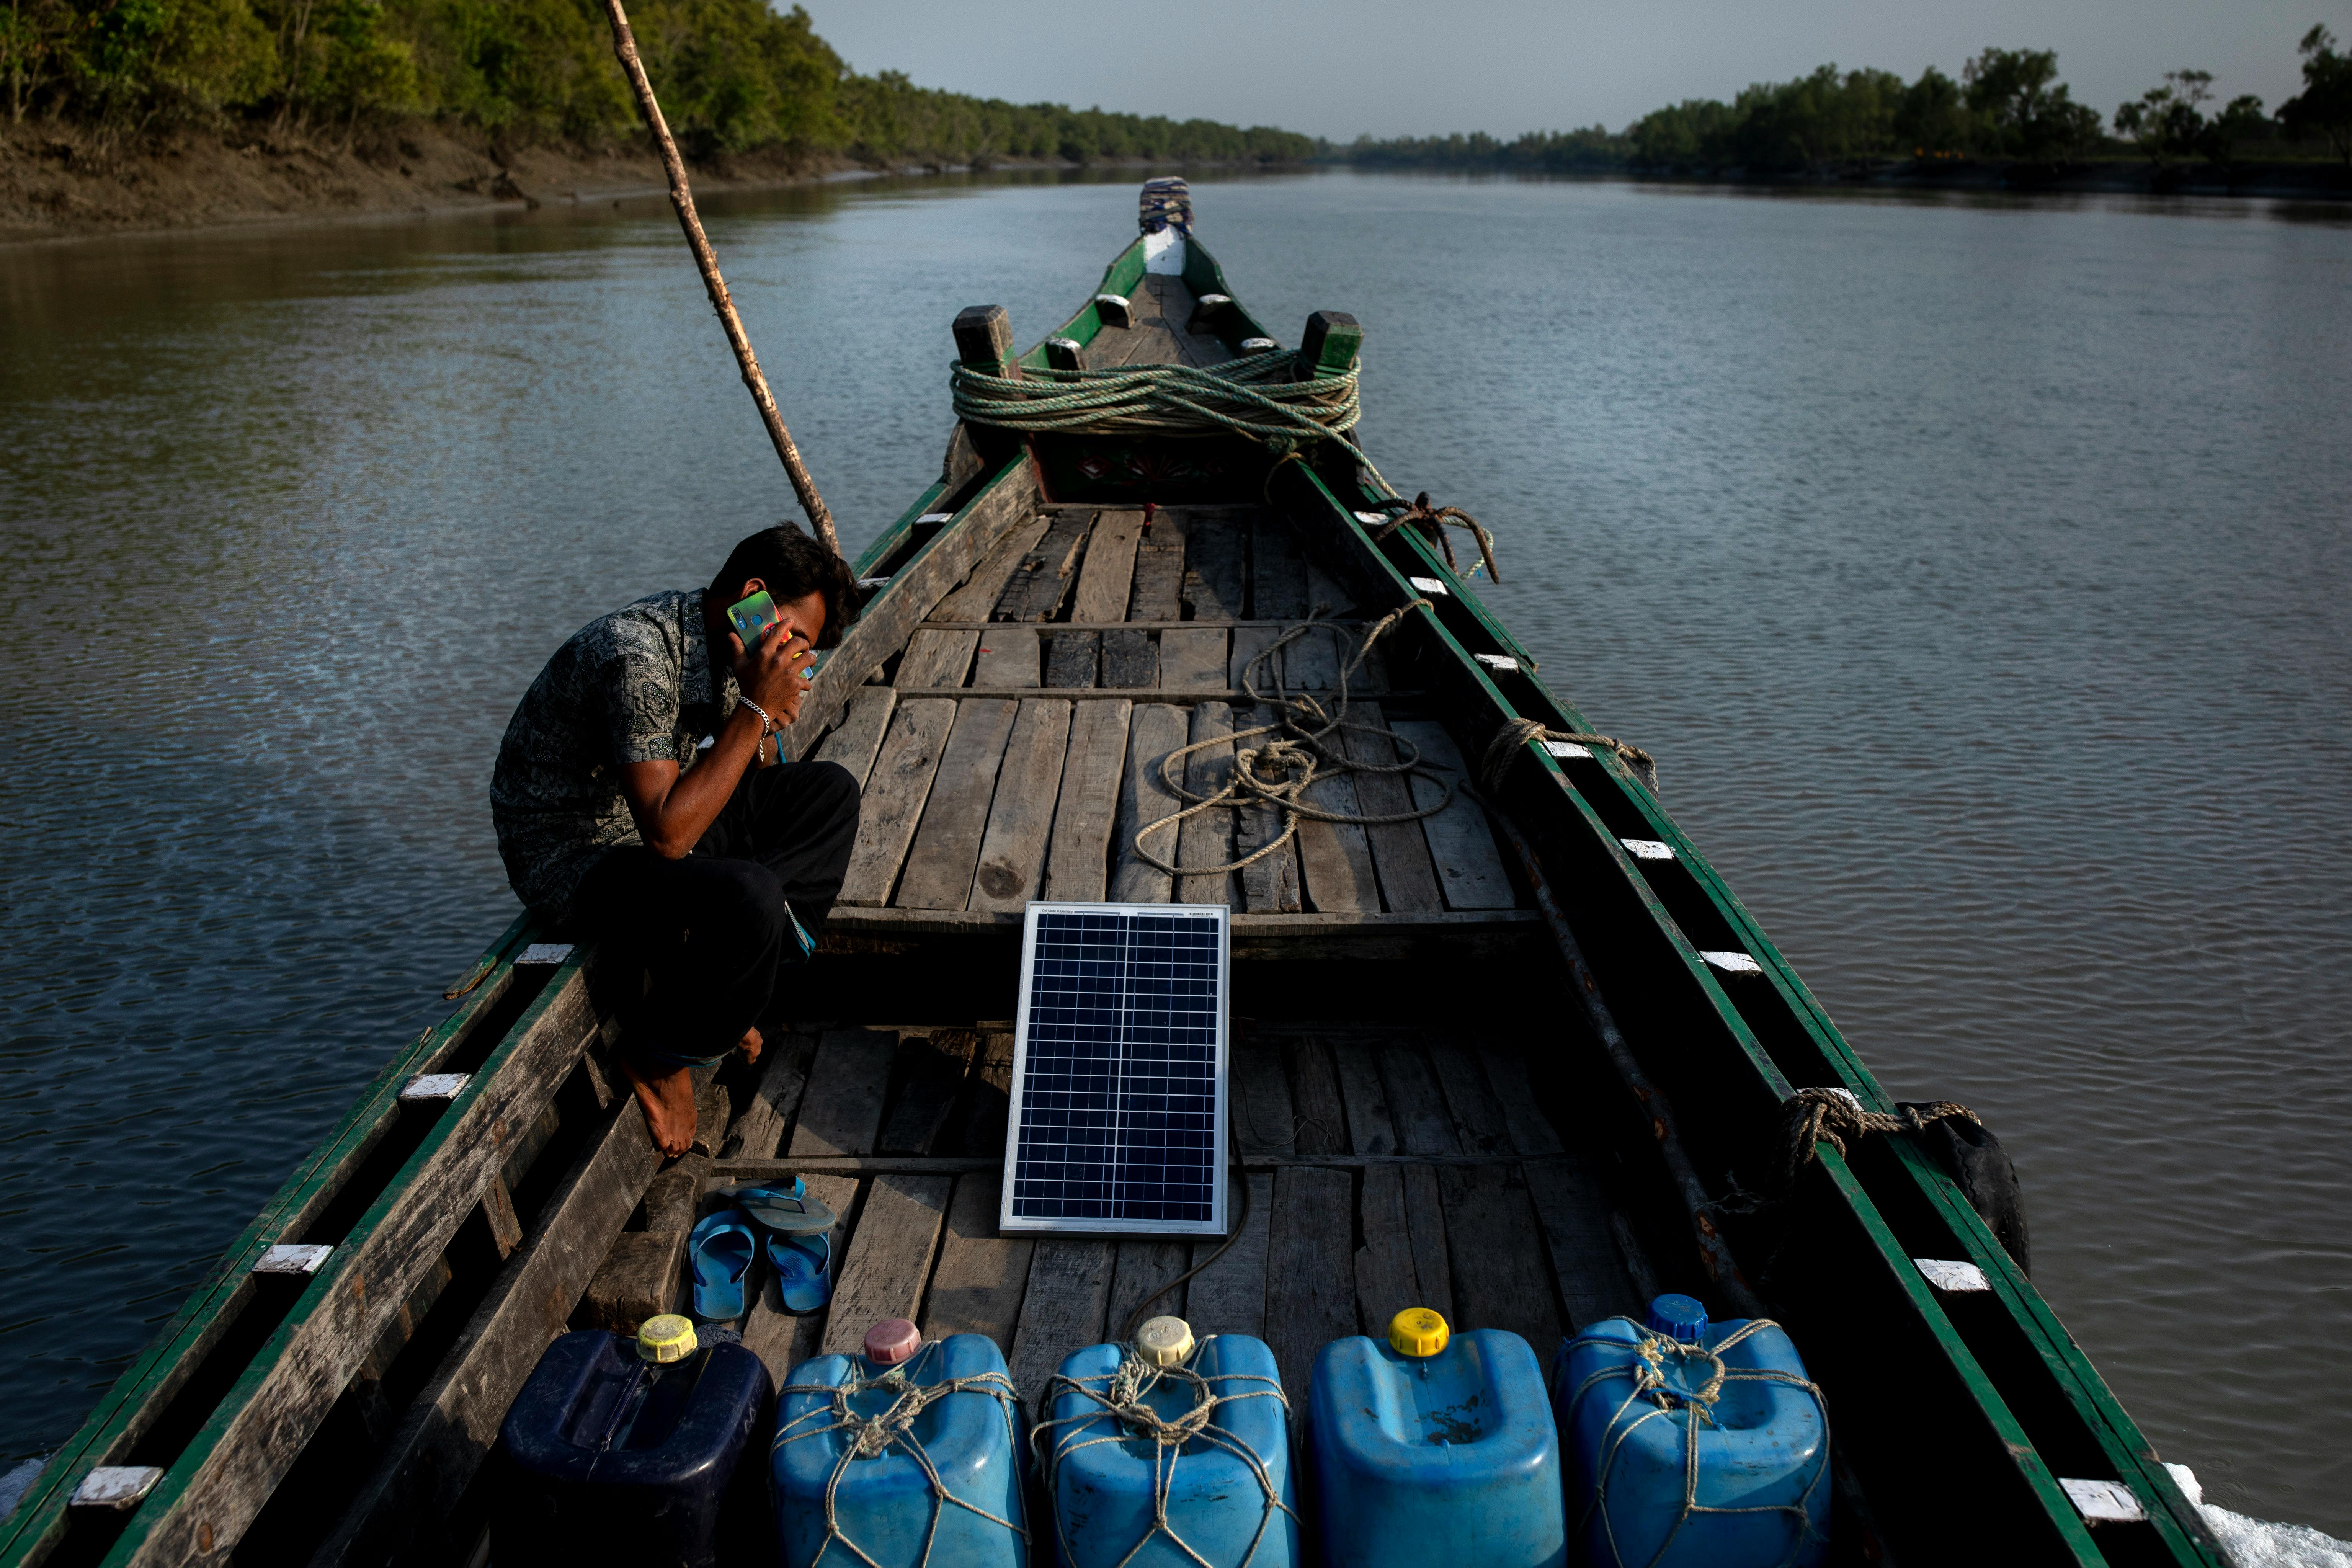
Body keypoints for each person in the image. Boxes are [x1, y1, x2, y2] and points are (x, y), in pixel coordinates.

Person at [490, 524, 862, 1155]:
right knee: (753, 895)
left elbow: (758, 787)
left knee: (828, 793)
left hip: (649, 833)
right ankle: (662, 1054)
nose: (797, 655)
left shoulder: (728, 644)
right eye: (796, 637)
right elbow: (665, 836)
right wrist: (756, 712)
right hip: (579, 859)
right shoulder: (637, 658)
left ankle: (730, 989)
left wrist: (763, 714)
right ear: (753, 597)